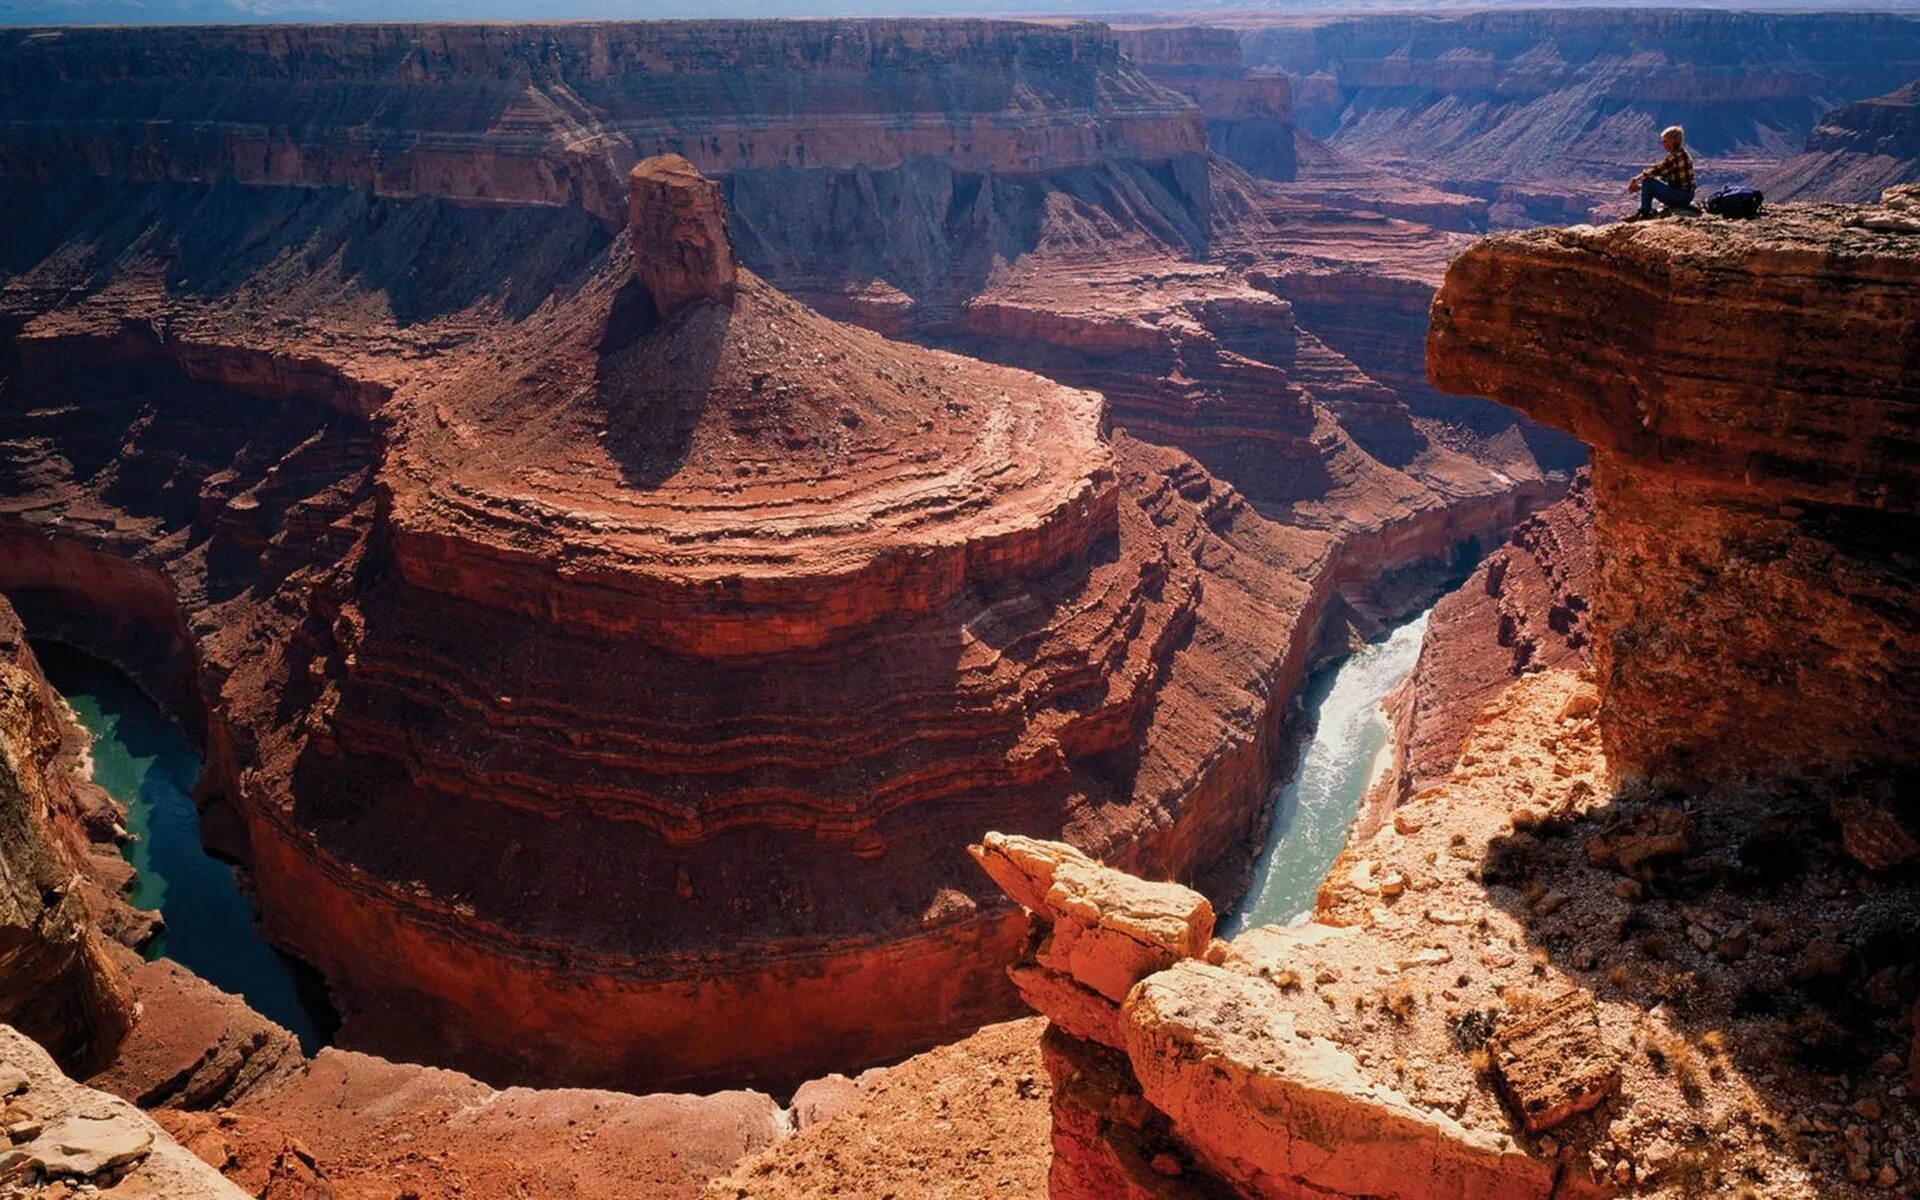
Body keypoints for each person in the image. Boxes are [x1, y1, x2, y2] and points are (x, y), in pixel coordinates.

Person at [1626, 125, 1697, 221]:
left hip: (1681, 195)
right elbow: (1661, 175)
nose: (1663, 144)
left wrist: (1635, 180)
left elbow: (1656, 170)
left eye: (1665, 141)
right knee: (1649, 183)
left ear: (1673, 141)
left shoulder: (1677, 156)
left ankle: (1644, 212)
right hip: (1685, 195)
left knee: (1648, 181)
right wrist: (1641, 187)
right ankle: (1644, 211)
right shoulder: (1680, 154)